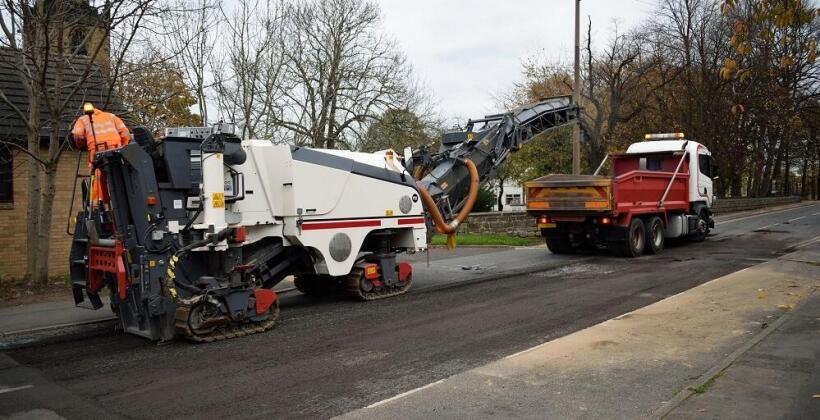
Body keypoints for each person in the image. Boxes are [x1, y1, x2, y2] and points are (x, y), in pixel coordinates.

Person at [72, 103, 131, 203]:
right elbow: (125, 133)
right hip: (117, 149)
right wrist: (124, 146)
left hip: (97, 149)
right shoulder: (111, 116)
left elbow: (78, 135)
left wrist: (81, 145)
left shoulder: (83, 119)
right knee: (120, 173)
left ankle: (99, 203)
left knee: (98, 175)